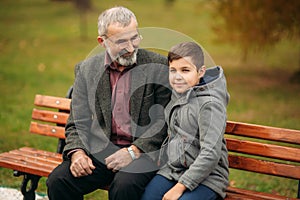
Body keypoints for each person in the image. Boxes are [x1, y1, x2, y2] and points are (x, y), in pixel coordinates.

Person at [46, 6, 171, 200]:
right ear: (102, 42)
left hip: (143, 153)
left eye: (134, 38)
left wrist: (133, 151)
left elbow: (163, 122)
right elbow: (77, 121)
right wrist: (77, 153)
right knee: (58, 181)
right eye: (121, 41)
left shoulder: (158, 66)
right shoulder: (86, 70)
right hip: (100, 152)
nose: (130, 48)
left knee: (123, 187)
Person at [141, 42, 229, 200]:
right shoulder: (178, 94)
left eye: (185, 70)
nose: (177, 76)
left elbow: (210, 154)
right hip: (174, 170)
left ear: (201, 71)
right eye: (172, 70)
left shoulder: (210, 105)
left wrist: (180, 187)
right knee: (148, 197)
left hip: (208, 178)